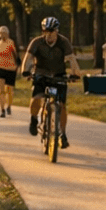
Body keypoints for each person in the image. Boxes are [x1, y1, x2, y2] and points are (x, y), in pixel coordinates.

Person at [20, 16, 83, 147]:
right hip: (41, 74)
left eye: (51, 31)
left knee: (61, 105)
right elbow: (28, 58)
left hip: (59, 75)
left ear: (57, 31)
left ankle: (63, 134)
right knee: (36, 98)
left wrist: (75, 74)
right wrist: (25, 71)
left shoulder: (63, 42)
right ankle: (33, 119)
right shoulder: (37, 42)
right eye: (45, 31)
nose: (48, 34)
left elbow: (72, 59)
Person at [0, 25, 20, 117]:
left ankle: (8, 106)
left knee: (9, 90)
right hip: (0, 68)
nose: (2, 35)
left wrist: (18, 67)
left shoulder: (11, 43)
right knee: (1, 90)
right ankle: (2, 110)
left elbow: (16, 55)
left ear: (8, 34)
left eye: (4, 33)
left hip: (10, 69)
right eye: (0, 33)